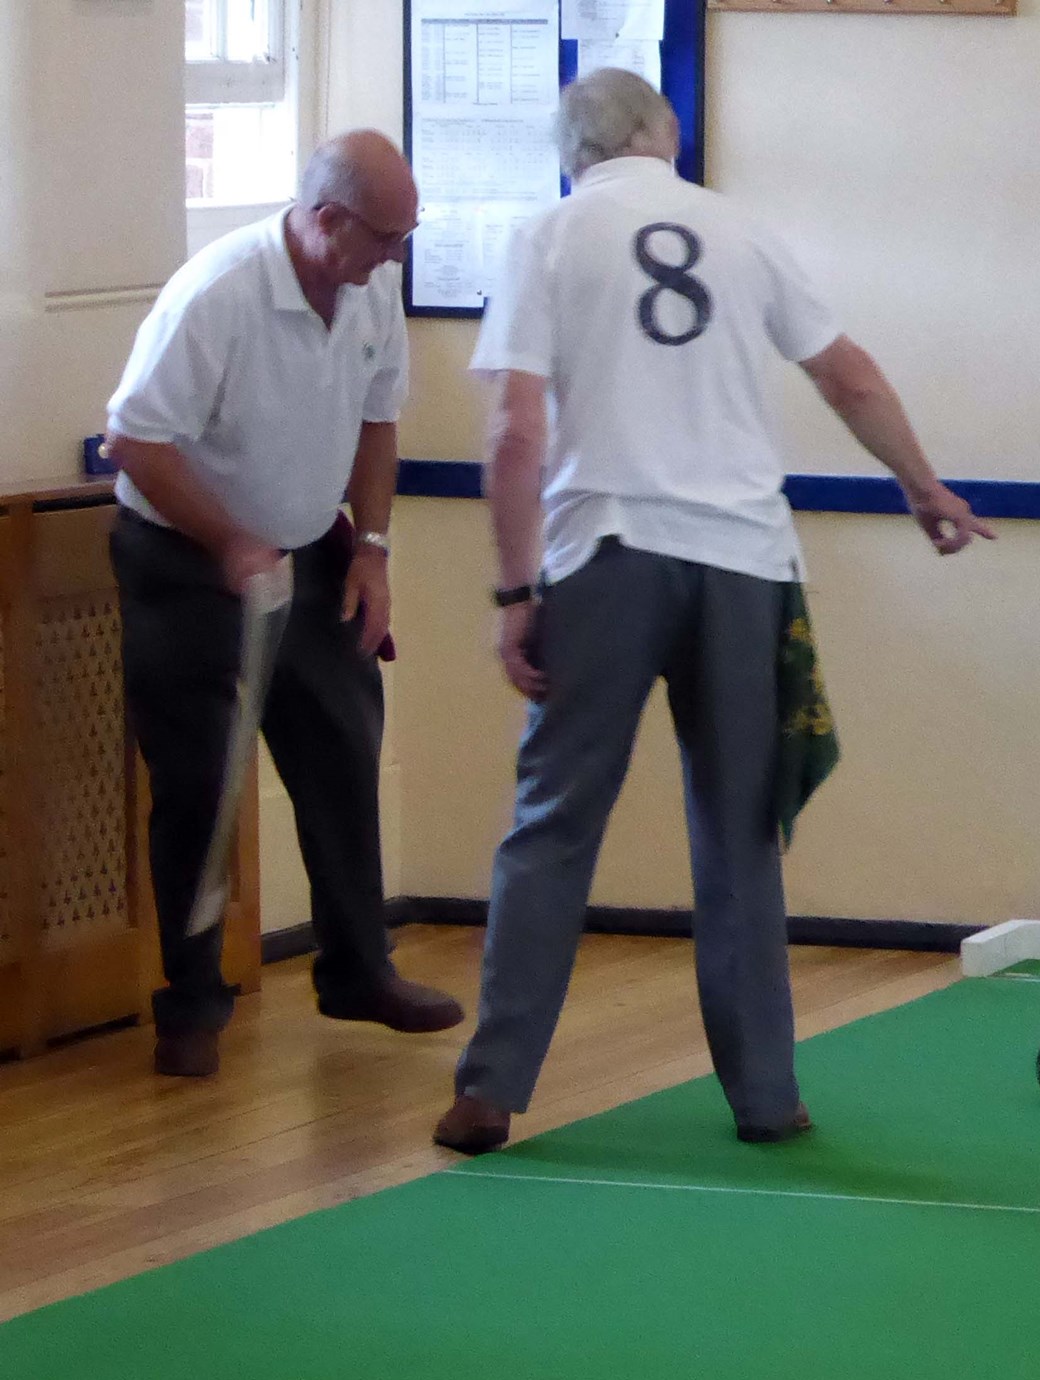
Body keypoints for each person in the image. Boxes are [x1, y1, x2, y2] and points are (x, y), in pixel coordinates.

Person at [432, 69, 995, 1154]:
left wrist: (513, 589)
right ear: (667, 134)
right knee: (740, 833)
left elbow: (514, 431)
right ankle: (767, 1097)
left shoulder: (547, 236)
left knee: (553, 825)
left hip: (606, 553)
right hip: (742, 559)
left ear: (572, 153)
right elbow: (849, 375)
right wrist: (922, 485)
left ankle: (489, 1092)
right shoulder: (743, 232)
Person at [106, 131, 463, 1078]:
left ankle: (357, 970)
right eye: (385, 237)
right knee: (200, 782)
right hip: (183, 557)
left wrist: (373, 550)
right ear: (326, 218)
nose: (397, 257)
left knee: (343, 745)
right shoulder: (218, 294)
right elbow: (134, 439)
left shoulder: (370, 289)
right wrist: (228, 541)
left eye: (407, 237)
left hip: (307, 552)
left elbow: (379, 420)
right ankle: (190, 1004)